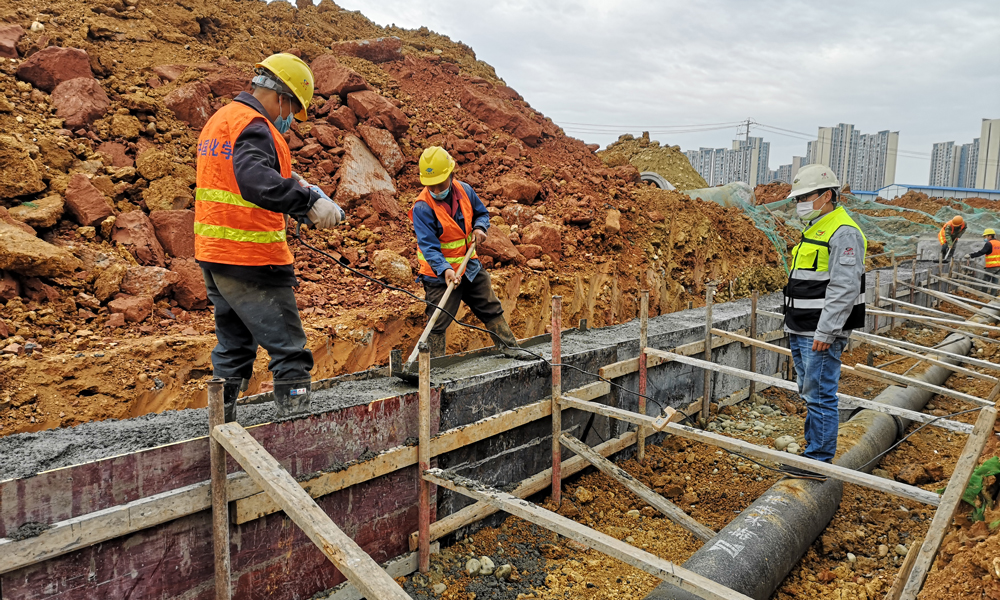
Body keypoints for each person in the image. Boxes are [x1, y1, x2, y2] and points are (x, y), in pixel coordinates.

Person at [195, 53, 345, 422]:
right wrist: (307, 201)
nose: (290, 119)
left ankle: (220, 426)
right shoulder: (255, 124)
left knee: (234, 348)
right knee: (290, 352)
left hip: (215, 253)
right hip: (251, 258)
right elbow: (254, 182)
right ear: (281, 97)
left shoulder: (222, 120)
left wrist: (295, 189)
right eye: (293, 108)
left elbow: (237, 178)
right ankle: (296, 430)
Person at [782, 165, 867, 481]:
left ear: (827, 195)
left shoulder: (842, 231)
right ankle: (812, 455)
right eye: (798, 198)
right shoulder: (817, 227)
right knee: (809, 392)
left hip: (818, 331)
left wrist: (828, 331)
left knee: (819, 395)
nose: (800, 203)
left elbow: (844, 287)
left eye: (805, 196)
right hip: (801, 327)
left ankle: (816, 463)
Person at [409, 146, 523, 358]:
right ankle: (433, 369)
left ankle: (511, 349)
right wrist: (445, 270)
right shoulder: (422, 207)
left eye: (439, 184)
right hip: (439, 275)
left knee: (490, 306)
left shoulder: (465, 191)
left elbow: (481, 213)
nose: (435, 189)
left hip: (469, 266)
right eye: (430, 185)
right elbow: (429, 246)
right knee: (437, 321)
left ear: (451, 175)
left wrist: (480, 228)